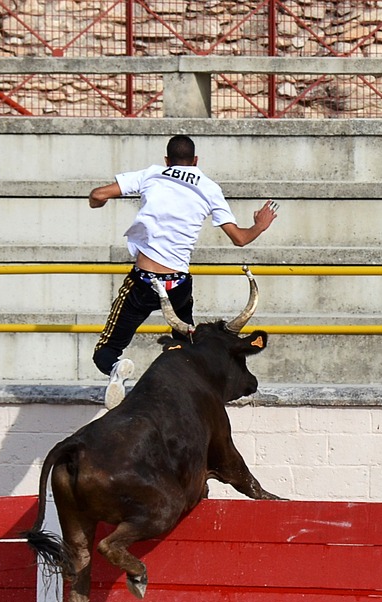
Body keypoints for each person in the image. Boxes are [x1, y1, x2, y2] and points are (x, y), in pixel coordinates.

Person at [87, 134, 278, 408]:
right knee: (186, 348)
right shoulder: (209, 188)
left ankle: (116, 368)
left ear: (167, 160)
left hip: (143, 281)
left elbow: (97, 194)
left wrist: (98, 203)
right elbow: (240, 239)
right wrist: (260, 224)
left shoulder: (153, 174)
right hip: (177, 285)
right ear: (195, 161)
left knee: (105, 350)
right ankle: (195, 390)